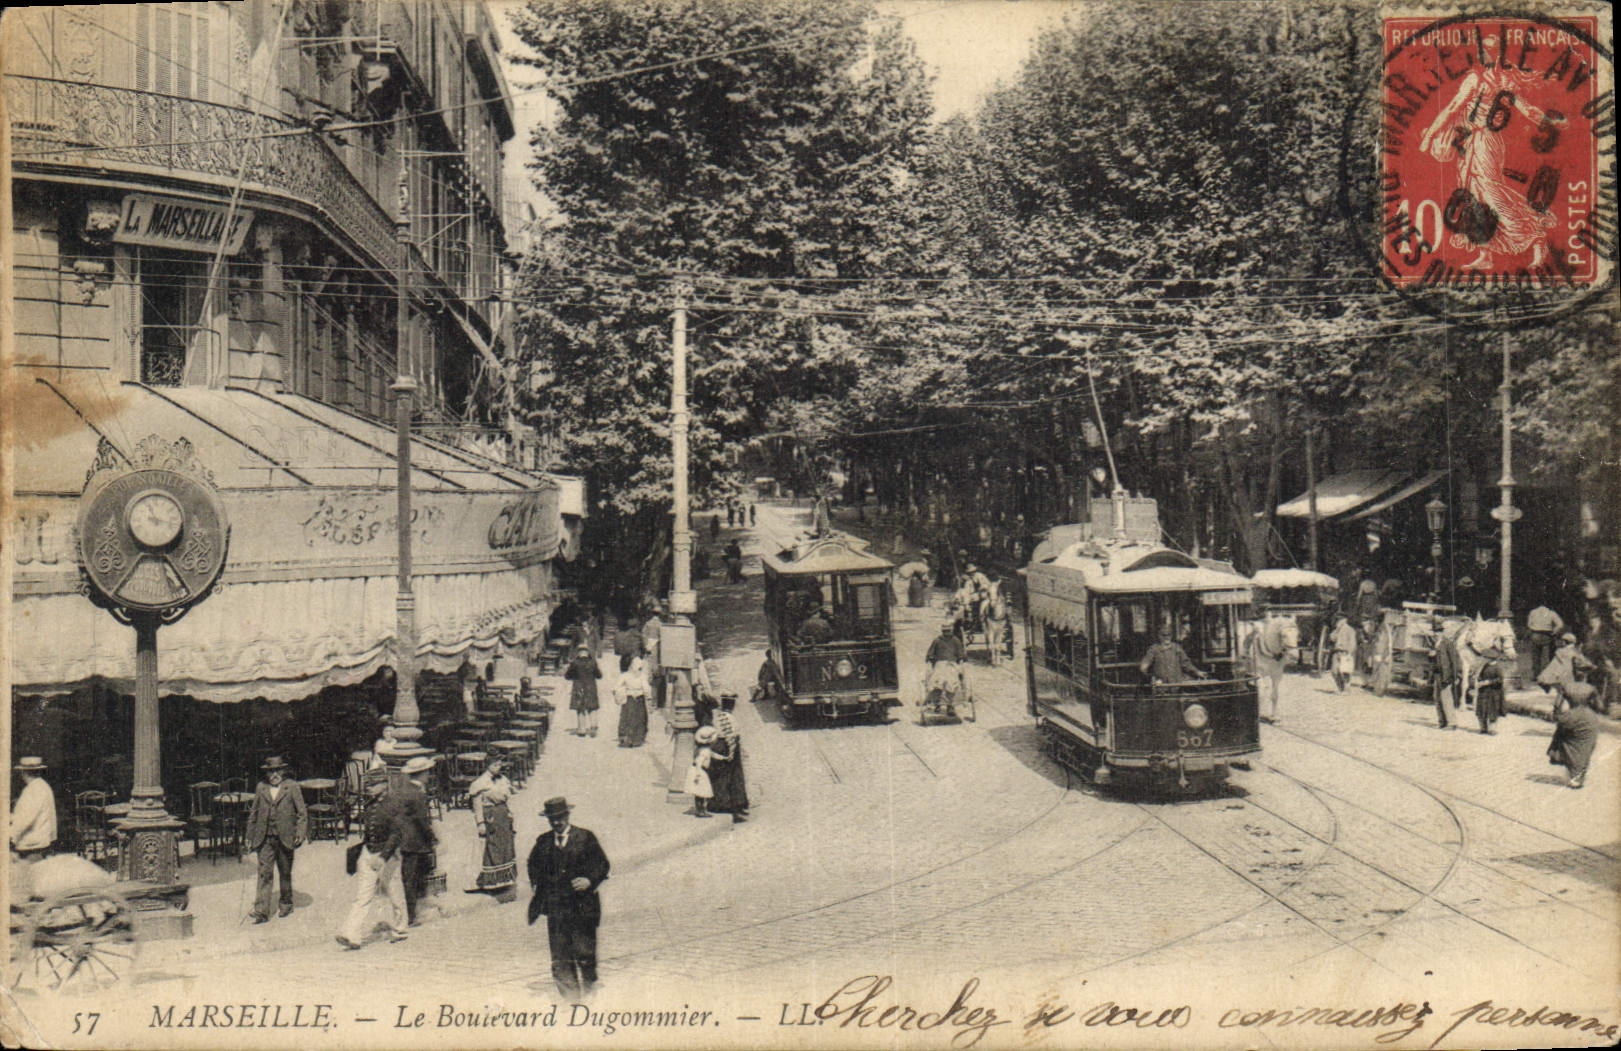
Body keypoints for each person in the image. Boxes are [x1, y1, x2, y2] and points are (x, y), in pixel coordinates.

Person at [526, 797, 610, 998]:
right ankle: (570, 1001)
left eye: (560, 817)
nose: (556, 822)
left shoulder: (585, 837)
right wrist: (536, 883)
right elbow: (532, 864)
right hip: (556, 909)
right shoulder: (543, 842)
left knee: (584, 953)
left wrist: (589, 880)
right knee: (560, 957)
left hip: (583, 907)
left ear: (567, 815)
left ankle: (590, 992)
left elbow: (602, 864)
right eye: (552, 819)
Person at [336, 769, 408, 950]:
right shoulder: (369, 804)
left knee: (394, 893)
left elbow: (396, 834)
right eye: (368, 784)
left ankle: (400, 928)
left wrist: (383, 857)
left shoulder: (394, 804)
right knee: (362, 896)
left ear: (384, 785)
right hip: (368, 853)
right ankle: (352, 934)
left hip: (387, 856)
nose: (369, 788)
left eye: (373, 784)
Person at [246, 756, 308, 923]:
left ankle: (286, 904)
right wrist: (249, 836)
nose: (274, 774)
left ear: (282, 771)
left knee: (285, 872)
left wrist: (300, 833)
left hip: (286, 837)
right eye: (271, 771)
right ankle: (261, 911)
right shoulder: (261, 788)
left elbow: (302, 813)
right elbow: (254, 813)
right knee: (264, 873)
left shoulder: (292, 787)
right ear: (266, 773)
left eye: (277, 771)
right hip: (264, 838)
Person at [464, 756, 518, 901]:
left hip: (503, 815)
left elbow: (508, 798)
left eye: (500, 764)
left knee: (505, 846)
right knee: (491, 846)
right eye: (495, 764)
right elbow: (477, 805)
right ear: (487, 765)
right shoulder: (480, 783)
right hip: (490, 817)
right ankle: (489, 882)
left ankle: (504, 880)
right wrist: (480, 822)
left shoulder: (503, 779)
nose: (498, 767)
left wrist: (510, 813)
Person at [397, 755, 437, 927]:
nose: (428, 775)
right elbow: (422, 820)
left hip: (406, 839)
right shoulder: (417, 794)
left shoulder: (404, 788)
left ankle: (412, 912)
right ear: (420, 774)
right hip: (415, 841)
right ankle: (411, 915)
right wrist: (432, 838)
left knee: (412, 877)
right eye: (426, 772)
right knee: (412, 878)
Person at [10, 757, 58, 891]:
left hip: (32, 844)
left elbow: (25, 819)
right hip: (41, 839)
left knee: (29, 882)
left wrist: (11, 836)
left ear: (24, 773)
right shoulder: (43, 786)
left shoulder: (33, 790)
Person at [708, 695, 750, 823]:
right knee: (729, 777)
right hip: (726, 746)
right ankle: (727, 805)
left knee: (730, 776)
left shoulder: (720, 716)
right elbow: (729, 735)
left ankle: (734, 803)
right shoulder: (726, 717)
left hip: (724, 745)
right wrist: (732, 751)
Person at [924, 620, 968, 713]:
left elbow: (961, 653)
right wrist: (930, 660)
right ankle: (937, 703)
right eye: (945, 631)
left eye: (949, 631)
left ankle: (950, 705)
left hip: (952, 664)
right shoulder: (937, 641)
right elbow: (930, 653)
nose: (947, 633)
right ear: (942, 631)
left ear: (951, 631)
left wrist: (960, 660)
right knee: (937, 681)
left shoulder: (956, 640)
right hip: (940, 664)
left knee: (951, 680)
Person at [1140, 627, 1206, 685]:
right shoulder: (1154, 649)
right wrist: (1151, 676)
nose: (1167, 637)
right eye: (1164, 635)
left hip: (1176, 684)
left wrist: (1197, 672)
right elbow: (1145, 665)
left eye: (1169, 635)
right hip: (1161, 685)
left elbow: (1186, 663)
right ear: (1159, 636)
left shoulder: (1177, 648)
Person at [565, 644, 602, 737]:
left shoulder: (575, 663)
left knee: (580, 708)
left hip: (579, 687)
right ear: (587, 653)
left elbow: (568, 676)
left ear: (578, 653)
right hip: (591, 687)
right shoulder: (593, 662)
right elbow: (599, 675)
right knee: (592, 707)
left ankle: (582, 729)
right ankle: (593, 726)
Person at [614, 652, 650, 748]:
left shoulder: (626, 676)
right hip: (635, 698)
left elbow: (616, 687)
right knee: (636, 717)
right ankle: (634, 738)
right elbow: (646, 688)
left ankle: (630, 738)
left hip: (632, 697)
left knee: (634, 718)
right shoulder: (639, 676)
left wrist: (618, 691)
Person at [1430, 620, 1460, 728]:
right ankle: (1442, 722)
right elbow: (1433, 660)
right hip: (1437, 675)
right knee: (1437, 698)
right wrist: (1432, 655)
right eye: (1435, 632)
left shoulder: (1448, 643)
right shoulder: (1435, 644)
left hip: (1446, 675)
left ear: (1442, 632)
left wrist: (1456, 676)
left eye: (1438, 631)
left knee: (1446, 698)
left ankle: (1452, 723)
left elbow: (1454, 660)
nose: (1436, 634)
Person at [1526, 604, 1566, 679]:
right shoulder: (1551, 613)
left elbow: (1529, 624)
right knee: (1546, 656)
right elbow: (1560, 625)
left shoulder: (1533, 612)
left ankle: (1536, 675)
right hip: (1547, 635)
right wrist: (1554, 632)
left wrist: (1533, 628)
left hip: (1535, 634)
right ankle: (1546, 675)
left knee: (1535, 656)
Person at [686, 727, 717, 817]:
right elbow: (699, 762)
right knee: (702, 792)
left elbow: (713, 755)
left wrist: (723, 757)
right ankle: (701, 811)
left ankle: (699, 810)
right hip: (700, 771)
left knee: (699, 792)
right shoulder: (705, 751)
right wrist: (698, 775)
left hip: (698, 770)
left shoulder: (703, 749)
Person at [642, 603, 665, 710]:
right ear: (659, 614)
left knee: (648, 676)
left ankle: (650, 700)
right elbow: (664, 640)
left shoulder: (647, 624)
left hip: (649, 652)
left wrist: (647, 646)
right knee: (657, 678)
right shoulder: (661, 625)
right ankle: (656, 702)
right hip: (658, 652)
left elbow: (644, 636)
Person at [1474, 658, 1504, 735]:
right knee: (1482, 710)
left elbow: (1500, 680)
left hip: (1493, 692)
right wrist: (1479, 680)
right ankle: (1483, 728)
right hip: (1483, 691)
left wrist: (1489, 682)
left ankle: (1492, 729)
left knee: (1492, 710)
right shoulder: (1485, 666)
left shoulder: (1497, 668)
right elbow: (1480, 676)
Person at [1329, 615, 1358, 693]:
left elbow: (1352, 642)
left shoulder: (1350, 630)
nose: (1337, 622)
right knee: (1334, 671)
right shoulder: (1337, 630)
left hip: (1345, 652)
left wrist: (1350, 653)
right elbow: (1332, 638)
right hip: (1336, 651)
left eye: (1339, 620)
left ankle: (1346, 689)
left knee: (1345, 671)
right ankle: (1341, 687)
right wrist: (1336, 630)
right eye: (1337, 621)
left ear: (1345, 620)